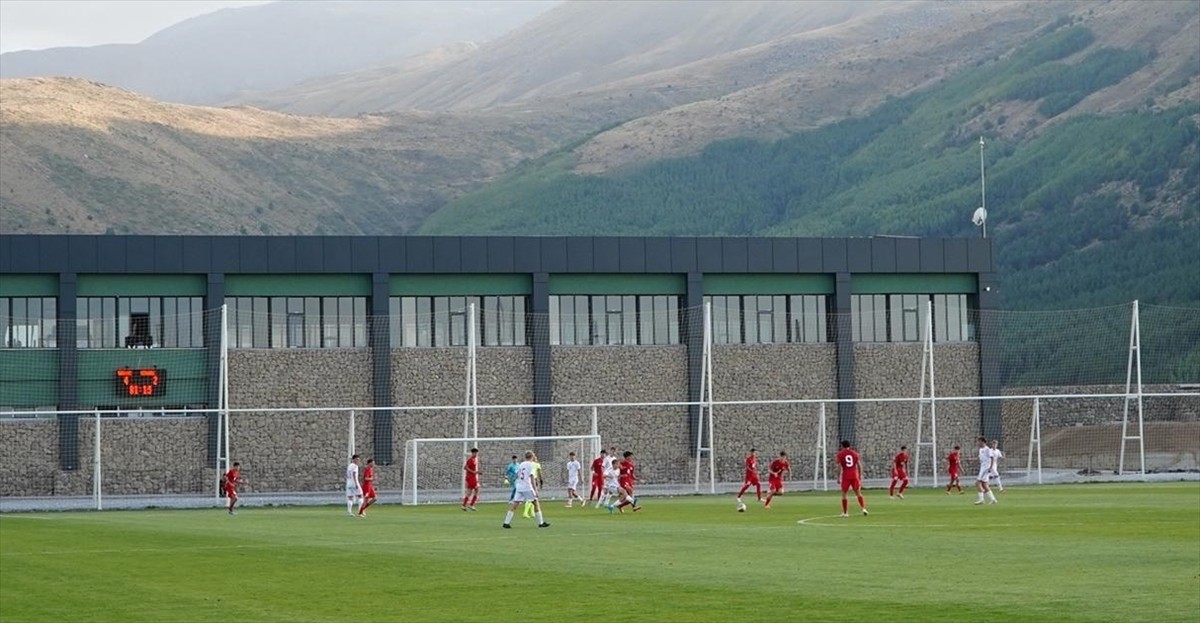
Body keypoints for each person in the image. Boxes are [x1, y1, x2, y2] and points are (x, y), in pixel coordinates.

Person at [503, 451, 550, 529]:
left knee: (515, 504)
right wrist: (535, 490)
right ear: (532, 456)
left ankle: (506, 522)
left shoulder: (521, 464)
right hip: (527, 487)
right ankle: (541, 523)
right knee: (536, 502)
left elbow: (517, 474)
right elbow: (532, 477)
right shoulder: (531, 465)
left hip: (519, 486)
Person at [835, 440, 868, 517]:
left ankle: (845, 513)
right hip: (854, 475)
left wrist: (838, 477)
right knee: (858, 492)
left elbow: (839, 467)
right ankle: (863, 508)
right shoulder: (854, 453)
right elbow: (859, 465)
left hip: (846, 475)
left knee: (844, 494)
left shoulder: (840, 454)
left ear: (842, 446)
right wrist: (860, 475)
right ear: (849, 446)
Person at [974, 437, 997, 506]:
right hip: (982, 467)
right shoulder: (981, 449)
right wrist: (973, 460)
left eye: (978, 441)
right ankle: (993, 499)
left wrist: (990, 467)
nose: (977, 443)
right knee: (984, 484)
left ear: (982, 442)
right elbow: (980, 457)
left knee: (977, 483)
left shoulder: (987, 449)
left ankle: (981, 499)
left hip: (985, 468)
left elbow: (992, 458)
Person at [462, 447, 480, 511]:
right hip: (471, 477)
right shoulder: (470, 459)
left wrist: (476, 472)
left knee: (473, 491)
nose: (477, 454)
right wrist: (474, 472)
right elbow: (465, 467)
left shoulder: (474, 459)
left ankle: (465, 505)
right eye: (476, 453)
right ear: (473, 453)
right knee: (473, 491)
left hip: (473, 477)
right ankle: (470, 505)